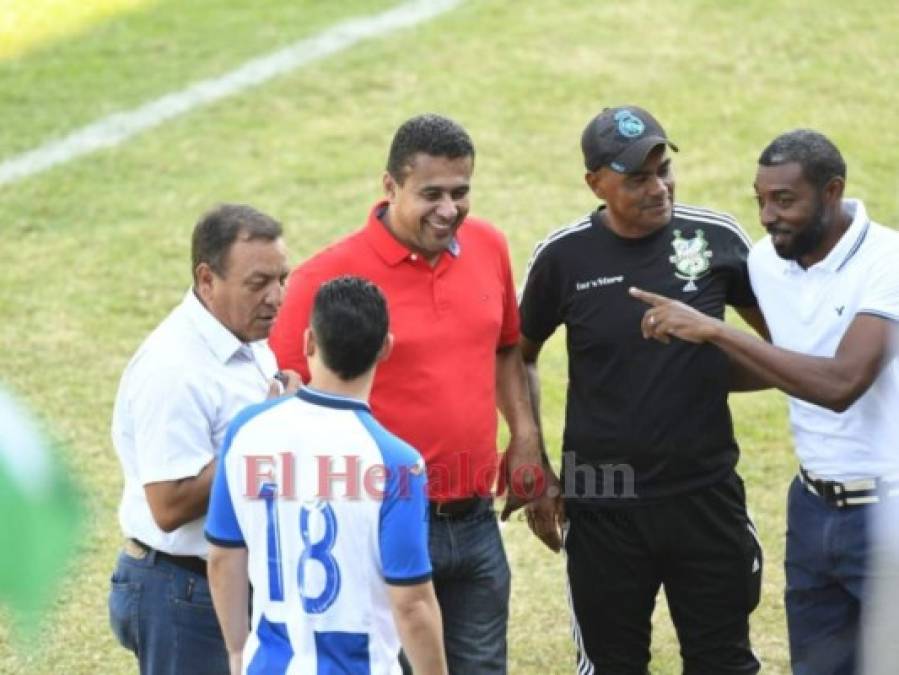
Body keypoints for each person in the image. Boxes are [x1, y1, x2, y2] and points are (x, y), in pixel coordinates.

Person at [268, 113, 541, 673]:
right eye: (432, 194)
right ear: (389, 187)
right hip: (379, 524)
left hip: (474, 520)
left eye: (461, 193)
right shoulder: (326, 279)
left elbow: (507, 347)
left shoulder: (488, 245)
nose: (450, 210)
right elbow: (281, 395)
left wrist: (526, 435)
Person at [629, 129, 899, 675]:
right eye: (760, 199)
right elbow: (778, 366)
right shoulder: (766, 263)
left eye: (784, 200)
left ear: (831, 192)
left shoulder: (888, 264)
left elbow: (840, 384)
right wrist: (661, 365)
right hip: (811, 508)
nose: (767, 215)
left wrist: (717, 332)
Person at [519, 105, 766, 674]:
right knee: (612, 666)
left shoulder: (716, 238)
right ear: (595, 184)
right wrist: (529, 451)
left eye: (664, 169)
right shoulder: (562, 257)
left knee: (723, 662)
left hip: (705, 496)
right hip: (603, 505)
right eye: (638, 178)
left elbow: (781, 348)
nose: (659, 188)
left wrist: (704, 363)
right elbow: (517, 353)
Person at [205, 276, 448, 675]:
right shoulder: (397, 463)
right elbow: (412, 603)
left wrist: (236, 651)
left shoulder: (245, 431)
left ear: (308, 342)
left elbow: (223, 558)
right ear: (386, 347)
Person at [108, 204, 297, 674]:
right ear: (207, 279)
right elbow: (169, 505)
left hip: (231, 583)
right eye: (259, 284)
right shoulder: (174, 369)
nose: (276, 298)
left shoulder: (246, 335)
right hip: (181, 593)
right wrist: (268, 428)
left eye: (282, 279)